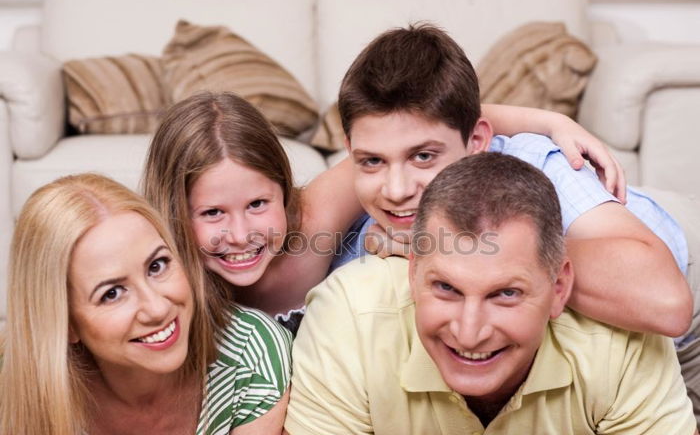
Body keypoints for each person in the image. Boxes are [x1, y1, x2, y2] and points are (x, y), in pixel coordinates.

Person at [327, 24, 700, 422]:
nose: (397, 190)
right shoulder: (361, 238)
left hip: (683, 320)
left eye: (423, 157)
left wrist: (456, 247)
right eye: (372, 161)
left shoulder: (540, 163)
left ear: (477, 144)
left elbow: (668, 307)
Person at [278, 153, 700, 435]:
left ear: (559, 289)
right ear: (411, 272)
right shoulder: (350, 313)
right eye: (446, 288)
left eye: (505, 294)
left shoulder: (619, 338)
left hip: (678, 256)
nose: (469, 332)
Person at [142, 91, 624, 335]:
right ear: (173, 212)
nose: (241, 234)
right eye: (210, 214)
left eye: (258, 204)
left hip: (624, 232)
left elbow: (421, 121)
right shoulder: (155, 282)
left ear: (282, 193)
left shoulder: (311, 219)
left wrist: (549, 121)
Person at [0, 174, 291, 435]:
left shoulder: (252, 354)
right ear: (66, 323)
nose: (157, 308)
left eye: (157, 266)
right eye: (112, 293)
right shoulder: (16, 386)